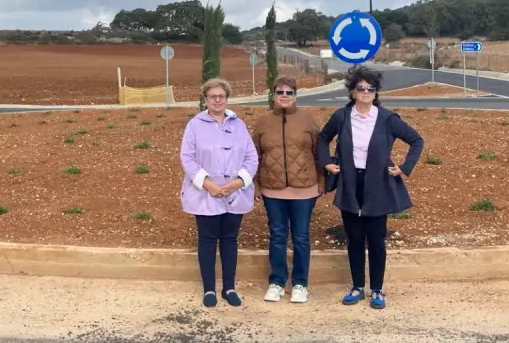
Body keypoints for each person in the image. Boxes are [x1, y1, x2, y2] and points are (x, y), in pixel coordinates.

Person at [317, 65, 423, 310]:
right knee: (354, 239)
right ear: (352, 92)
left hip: (378, 185)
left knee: (376, 241)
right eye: (361, 88)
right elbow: (322, 139)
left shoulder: (387, 118)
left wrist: (404, 167)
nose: (365, 92)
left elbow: (416, 140)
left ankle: (377, 289)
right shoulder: (342, 116)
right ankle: (357, 287)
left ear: (376, 93)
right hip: (350, 183)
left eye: (370, 89)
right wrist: (326, 163)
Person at [179, 77, 259, 308]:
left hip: (235, 193)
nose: (217, 100)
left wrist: (238, 182)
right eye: (212, 96)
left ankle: (229, 287)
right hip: (206, 194)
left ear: (227, 99)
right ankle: (209, 290)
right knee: (207, 239)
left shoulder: (239, 125)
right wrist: (208, 184)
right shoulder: (194, 125)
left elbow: (251, 156)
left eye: (221, 96)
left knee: (230, 239)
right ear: (205, 99)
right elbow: (187, 158)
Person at [250, 75, 323, 304]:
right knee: (277, 235)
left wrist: (322, 182)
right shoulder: (263, 121)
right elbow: (254, 155)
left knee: (301, 237)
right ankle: (277, 282)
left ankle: (300, 283)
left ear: (295, 96)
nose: (284, 96)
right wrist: (255, 184)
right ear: (273, 95)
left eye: (289, 92)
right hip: (272, 190)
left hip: (305, 189)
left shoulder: (307, 119)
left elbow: (319, 152)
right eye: (280, 92)